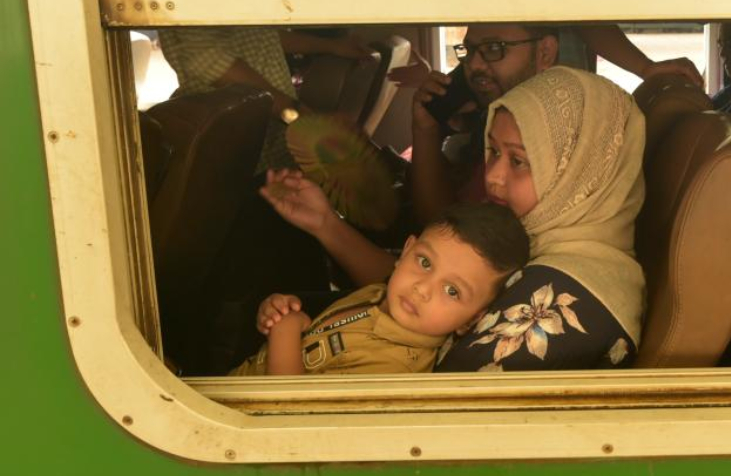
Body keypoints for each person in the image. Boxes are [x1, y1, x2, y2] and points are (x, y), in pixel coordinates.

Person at [263, 66, 647, 371]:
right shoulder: (545, 239)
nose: (493, 176)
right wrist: (324, 224)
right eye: (493, 152)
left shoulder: (559, 296)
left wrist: (283, 337)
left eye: (519, 161)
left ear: (581, 172)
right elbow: (422, 290)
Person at [408, 23, 697, 225]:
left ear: (545, 53)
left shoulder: (543, 150)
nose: (474, 66)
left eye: (495, 48)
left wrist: (645, 68)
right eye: (469, 52)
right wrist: (426, 130)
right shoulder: (498, 129)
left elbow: (442, 232)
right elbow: (441, 226)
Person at [229, 203, 529, 376]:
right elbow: (319, 336)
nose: (422, 288)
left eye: (452, 291)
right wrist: (286, 313)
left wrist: (284, 329)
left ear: (471, 320)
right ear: (407, 249)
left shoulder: (391, 368)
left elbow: (287, 413)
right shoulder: (376, 295)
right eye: (424, 262)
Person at [158, 27, 372, 171]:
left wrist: (332, 46)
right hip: (231, 143)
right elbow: (204, 57)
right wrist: (303, 118)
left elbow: (264, 35)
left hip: (270, 140)